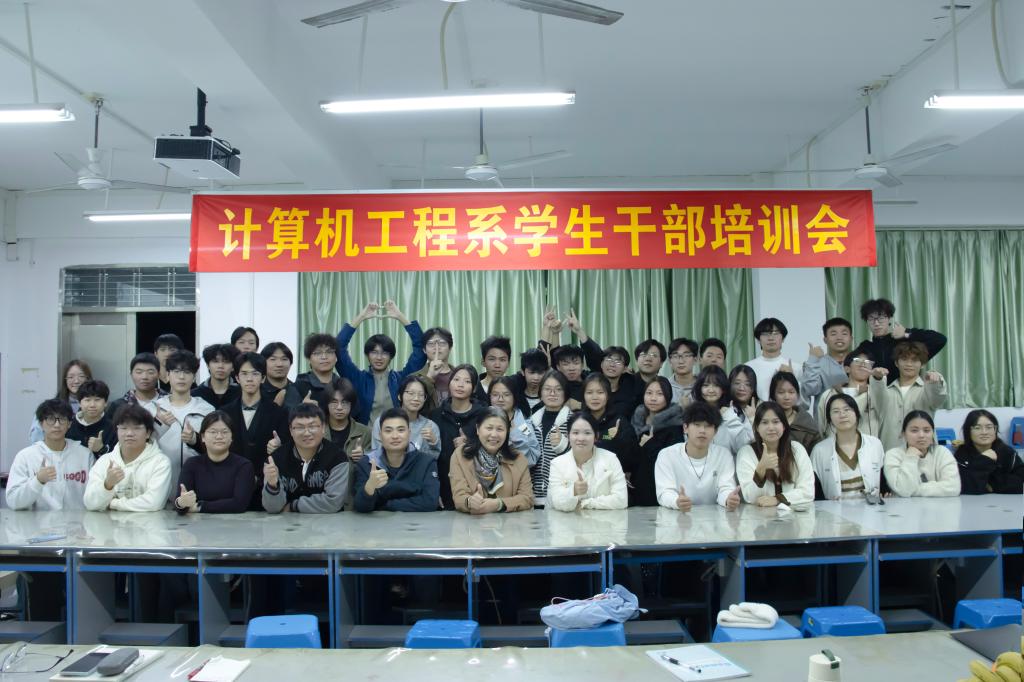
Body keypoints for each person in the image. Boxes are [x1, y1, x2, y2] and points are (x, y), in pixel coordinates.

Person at [336, 300, 427, 425]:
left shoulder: (401, 379)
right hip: (366, 435)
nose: (379, 357)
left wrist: (400, 316)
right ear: (367, 355)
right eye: (374, 352)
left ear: (391, 356)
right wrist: (361, 317)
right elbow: (338, 348)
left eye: (384, 353)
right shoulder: (358, 379)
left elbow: (421, 350)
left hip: (397, 434)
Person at [223, 352, 290, 510]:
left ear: (263, 378)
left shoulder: (279, 413)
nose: (250, 379)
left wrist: (279, 445)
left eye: (255, 374)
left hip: (266, 489)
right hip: (231, 488)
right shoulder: (224, 413)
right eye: (244, 374)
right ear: (237, 378)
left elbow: (288, 449)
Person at [654, 402, 741, 511]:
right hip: (677, 516)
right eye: (697, 424)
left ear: (715, 431)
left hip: (714, 517)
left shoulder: (723, 455)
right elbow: (665, 492)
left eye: (708, 426)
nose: (702, 431)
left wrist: (728, 499)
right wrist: (676, 501)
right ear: (685, 428)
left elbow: (725, 488)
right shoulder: (667, 455)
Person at [84, 404, 171, 511]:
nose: (129, 433)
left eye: (137, 428)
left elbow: (154, 503)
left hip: (148, 522)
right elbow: (90, 503)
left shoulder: (160, 462)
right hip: (108, 522)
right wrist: (107, 485)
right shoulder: (105, 461)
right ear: (117, 431)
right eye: (123, 428)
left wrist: (113, 504)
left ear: (148, 433)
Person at [262, 403, 348, 513]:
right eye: (300, 427)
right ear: (291, 430)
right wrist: (272, 485)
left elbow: (333, 502)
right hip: (286, 523)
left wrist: (294, 506)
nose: (306, 433)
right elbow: (272, 508)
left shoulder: (337, 458)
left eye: (312, 426)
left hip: (329, 522)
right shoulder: (275, 460)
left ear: (323, 428)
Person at [8, 399, 92, 510]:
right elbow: (13, 501)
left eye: (62, 419)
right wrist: (38, 481)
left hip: (78, 520)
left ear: (69, 424)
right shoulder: (26, 456)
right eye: (50, 419)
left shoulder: (85, 455)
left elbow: (93, 497)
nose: (57, 425)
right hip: (38, 521)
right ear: (41, 424)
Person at [152, 350, 215, 498]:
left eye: (187, 372)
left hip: (197, 482)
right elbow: (144, 445)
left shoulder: (206, 409)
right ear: (167, 375)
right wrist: (160, 426)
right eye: (176, 371)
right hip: (160, 481)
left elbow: (216, 447)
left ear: (194, 377)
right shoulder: (153, 408)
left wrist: (195, 440)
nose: (181, 377)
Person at [353, 408, 440, 512]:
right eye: (388, 431)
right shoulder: (367, 463)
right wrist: (369, 487)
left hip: (417, 521)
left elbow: (430, 502)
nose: (395, 436)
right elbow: (360, 507)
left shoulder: (426, 462)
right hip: (379, 522)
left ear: (409, 433)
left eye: (401, 430)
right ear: (380, 435)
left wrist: (387, 505)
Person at [449, 407, 534, 513]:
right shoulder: (460, 455)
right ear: (478, 429)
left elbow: (527, 498)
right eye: (489, 428)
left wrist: (499, 504)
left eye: (500, 429)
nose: (494, 435)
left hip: (508, 522)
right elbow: (459, 497)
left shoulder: (519, 459)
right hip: (472, 521)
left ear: (507, 432)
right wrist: (469, 501)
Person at [869, 341, 947, 450]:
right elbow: (877, 397)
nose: (909, 364)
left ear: (922, 364)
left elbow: (937, 397)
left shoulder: (927, 390)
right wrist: (877, 378)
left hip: (923, 452)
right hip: (890, 449)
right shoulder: (887, 391)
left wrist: (936, 381)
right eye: (904, 359)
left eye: (914, 360)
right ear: (896, 363)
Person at [736, 401, 815, 507]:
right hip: (760, 515)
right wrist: (760, 469)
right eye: (765, 422)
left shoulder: (797, 449)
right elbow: (749, 497)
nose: (771, 428)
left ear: (784, 426)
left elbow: (808, 491)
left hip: (795, 514)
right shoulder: (746, 453)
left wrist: (778, 499)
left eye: (776, 422)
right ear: (757, 428)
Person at [174, 411, 255, 513]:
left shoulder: (243, 466)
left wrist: (200, 507)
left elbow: (239, 504)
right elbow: (180, 503)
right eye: (213, 432)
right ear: (203, 437)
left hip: (234, 522)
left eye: (224, 432)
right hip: (197, 522)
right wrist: (181, 503)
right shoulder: (192, 464)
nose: (219, 436)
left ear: (232, 437)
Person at [810, 394, 886, 501]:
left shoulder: (874, 444)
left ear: (857, 414)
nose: (842, 415)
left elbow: (883, 482)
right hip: (834, 510)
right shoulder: (819, 451)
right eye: (836, 411)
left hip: (872, 509)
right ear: (829, 418)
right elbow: (815, 491)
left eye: (847, 409)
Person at [547, 412, 628, 511]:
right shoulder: (557, 464)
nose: (581, 438)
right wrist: (573, 491)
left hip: (605, 520)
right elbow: (556, 502)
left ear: (596, 436)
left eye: (587, 433)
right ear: (568, 436)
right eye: (575, 433)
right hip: (568, 521)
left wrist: (586, 503)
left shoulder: (610, 459)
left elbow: (621, 500)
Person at [431, 364, 486, 509]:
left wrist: (470, 444)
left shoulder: (483, 416)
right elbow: (430, 458)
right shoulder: (435, 416)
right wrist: (432, 489)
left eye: (467, 381)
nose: (460, 385)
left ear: (474, 388)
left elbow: (493, 449)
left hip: (475, 488)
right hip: (443, 487)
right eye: (456, 380)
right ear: (449, 383)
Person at [852, 298, 947, 376]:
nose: (876, 323)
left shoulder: (905, 343)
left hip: (907, 390)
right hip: (877, 390)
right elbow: (851, 367)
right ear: (867, 322)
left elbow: (940, 339)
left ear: (889, 319)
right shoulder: (865, 347)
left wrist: (907, 333)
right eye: (871, 318)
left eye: (881, 318)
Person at [629, 377, 684, 506]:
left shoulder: (675, 425)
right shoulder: (637, 419)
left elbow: (672, 461)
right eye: (649, 393)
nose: (653, 398)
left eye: (660, 394)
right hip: (636, 485)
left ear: (668, 397)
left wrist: (648, 445)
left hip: (659, 487)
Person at [883, 410, 960, 498]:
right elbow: (904, 490)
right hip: (904, 506)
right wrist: (911, 457)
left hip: (939, 506)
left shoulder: (942, 453)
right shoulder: (893, 455)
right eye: (914, 430)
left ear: (933, 433)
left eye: (926, 431)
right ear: (903, 434)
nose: (921, 435)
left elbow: (954, 487)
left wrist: (913, 490)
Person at [579, 372, 638, 481]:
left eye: (600, 392)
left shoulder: (619, 422)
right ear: (583, 396)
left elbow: (631, 458)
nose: (595, 397)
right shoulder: (578, 422)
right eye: (589, 392)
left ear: (608, 396)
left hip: (613, 480)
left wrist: (613, 440)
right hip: (583, 480)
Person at [529, 369, 573, 505]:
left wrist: (563, 445)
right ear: (540, 393)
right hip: (533, 496)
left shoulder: (573, 421)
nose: (552, 393)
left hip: (562, 496)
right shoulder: (531, 422)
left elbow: (582, 457)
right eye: (547, 389)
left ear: (565, 393)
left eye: (558, 389)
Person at [954, 410, 1024, 494]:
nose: (984, 432)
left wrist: (991, 485)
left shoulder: (1007, 452)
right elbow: (963, 486)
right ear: (968, 431)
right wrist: (984, 460)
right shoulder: (961, 454)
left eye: (989, 427)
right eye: (977, 428)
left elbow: (1020, 483)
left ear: (995, 429)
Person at [371, 375, 439, 459]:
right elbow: (376, 455)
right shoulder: (382, 421)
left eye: (421, 394)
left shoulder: (430, 426)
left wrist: (433, 444)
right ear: (400, 396)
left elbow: (433, 460)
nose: (416, 398)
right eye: (411, 393)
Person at [690, 366, 753, 454]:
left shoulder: (734, 412)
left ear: (723, 389)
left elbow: (742, 446)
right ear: (699, 388)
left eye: (716, 385)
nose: (711, 390)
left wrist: (729, 416)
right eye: (706, 385)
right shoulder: (693, 413)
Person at [28, 359, 91, 444]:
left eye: (81, 376)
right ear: (65, 380)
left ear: (88, 378)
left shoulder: (96, 406)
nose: (76, 381)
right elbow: (36, 436)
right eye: (71, 377)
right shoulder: (51, 407)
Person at [815, 351, 877, 436]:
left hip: (867, 443)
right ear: (847, 369)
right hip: (834, 442)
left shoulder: (876, 395)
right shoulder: (828, 394)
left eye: (867, 362)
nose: (863, 364)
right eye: (858, 361)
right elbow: (822, 426)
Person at [801, 318, 854, 409]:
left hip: (854, 414)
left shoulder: (859, 362)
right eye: (833, 334)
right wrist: (812, 360)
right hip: (824, 416)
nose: (839, 337)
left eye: (844, 333)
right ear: (825, 340)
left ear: (851, 338)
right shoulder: (816, 363)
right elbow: (810, 390)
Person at [488, 376, 540, 466]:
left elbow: (533, 456)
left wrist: (516, 436)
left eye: (506, 395)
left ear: (514, 396)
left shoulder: (524, 425)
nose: (500, 399)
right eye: (495, 395)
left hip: (518, 471)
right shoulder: (483, 419)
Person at [746, 318, 800, 402]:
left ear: (783, 338)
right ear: (758, 340)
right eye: (765, 334)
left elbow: (802, 403)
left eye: (776, 333)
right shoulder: (748, 368)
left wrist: (791, 377)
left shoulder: (796, 367)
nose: (771, 338)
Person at [769, 372, 821, 453]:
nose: (787, 397)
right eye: (781, 392)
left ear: (797, 394)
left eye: (791, 392)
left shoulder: (807, 422)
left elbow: (816, 453)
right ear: (773, 395)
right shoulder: (766, 418)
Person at [106, 352, 166, 419]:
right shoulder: (118, 406)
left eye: (150, 372)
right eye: (139, 372)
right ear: (131, 375)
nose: (144, 377)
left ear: (158, 375)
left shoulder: (170, 401)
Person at [66, 379, 116, 458]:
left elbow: (118, 460)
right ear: (79, 403)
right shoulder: (69, 426)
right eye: (87, 400)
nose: (92, 405)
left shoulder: (113, 428)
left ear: (106, 402)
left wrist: (101, 449)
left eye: (97, 400)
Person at [295, 333, 340, 405]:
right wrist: (302, 407)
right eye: (317, 353)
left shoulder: (343, 385)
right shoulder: (299, 385)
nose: (324, 357)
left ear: (336, 357)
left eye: (329, 352)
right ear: (309, 359)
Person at [415, 327, 454, 409]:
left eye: (442, 343)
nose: (436, 347)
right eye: (431, 344)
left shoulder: (460, 375)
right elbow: (414, 405)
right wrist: (429, 377)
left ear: (450, 348)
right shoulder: (414, 377)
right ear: (424, 350)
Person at [192, 343, 240, 409]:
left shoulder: (241, 393)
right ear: (208, 365)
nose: (220, 366)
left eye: (226, 361)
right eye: (215, 361)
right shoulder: (195, 395)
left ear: (233, 367)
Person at [260, 342, 303, 410]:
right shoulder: (256, 391)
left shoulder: (299, 390)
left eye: (284, 359)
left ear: (291, 363)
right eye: (273, 359)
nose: (279, 364)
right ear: (263, 363)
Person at [474, 335, 512, 402]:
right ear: (483, 362)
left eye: (502, 360)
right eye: (492, 359)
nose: (497, 365)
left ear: (508, 363)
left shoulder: (514, 388)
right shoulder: (473, 388)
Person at [667, 338, 699, 404]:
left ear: (695, 359)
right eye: (675, 356)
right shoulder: (664, 386)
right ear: (670, 361)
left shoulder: (703, 385)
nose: (681, 361)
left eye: (686, 355)